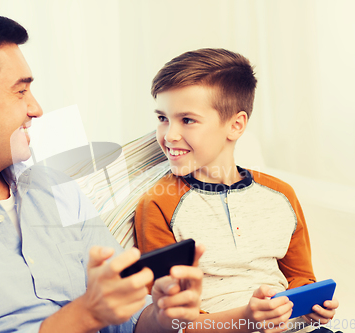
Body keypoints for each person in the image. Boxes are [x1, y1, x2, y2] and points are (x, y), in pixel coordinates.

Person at [0, 13, 205, 333]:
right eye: (20, 92)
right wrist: (87, 314)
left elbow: (130, 321)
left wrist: (162, 317)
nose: (36, 108)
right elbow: (96, 312)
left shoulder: (54, 187)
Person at [134, 48, 339, 333]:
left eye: (187, 120)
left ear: (236, 125)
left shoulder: (281, 195)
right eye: (162, 118)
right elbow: (170, 316)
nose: (169, 135)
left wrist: (313, 307)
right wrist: (246, 320)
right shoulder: (158, 203)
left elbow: (302, 278)